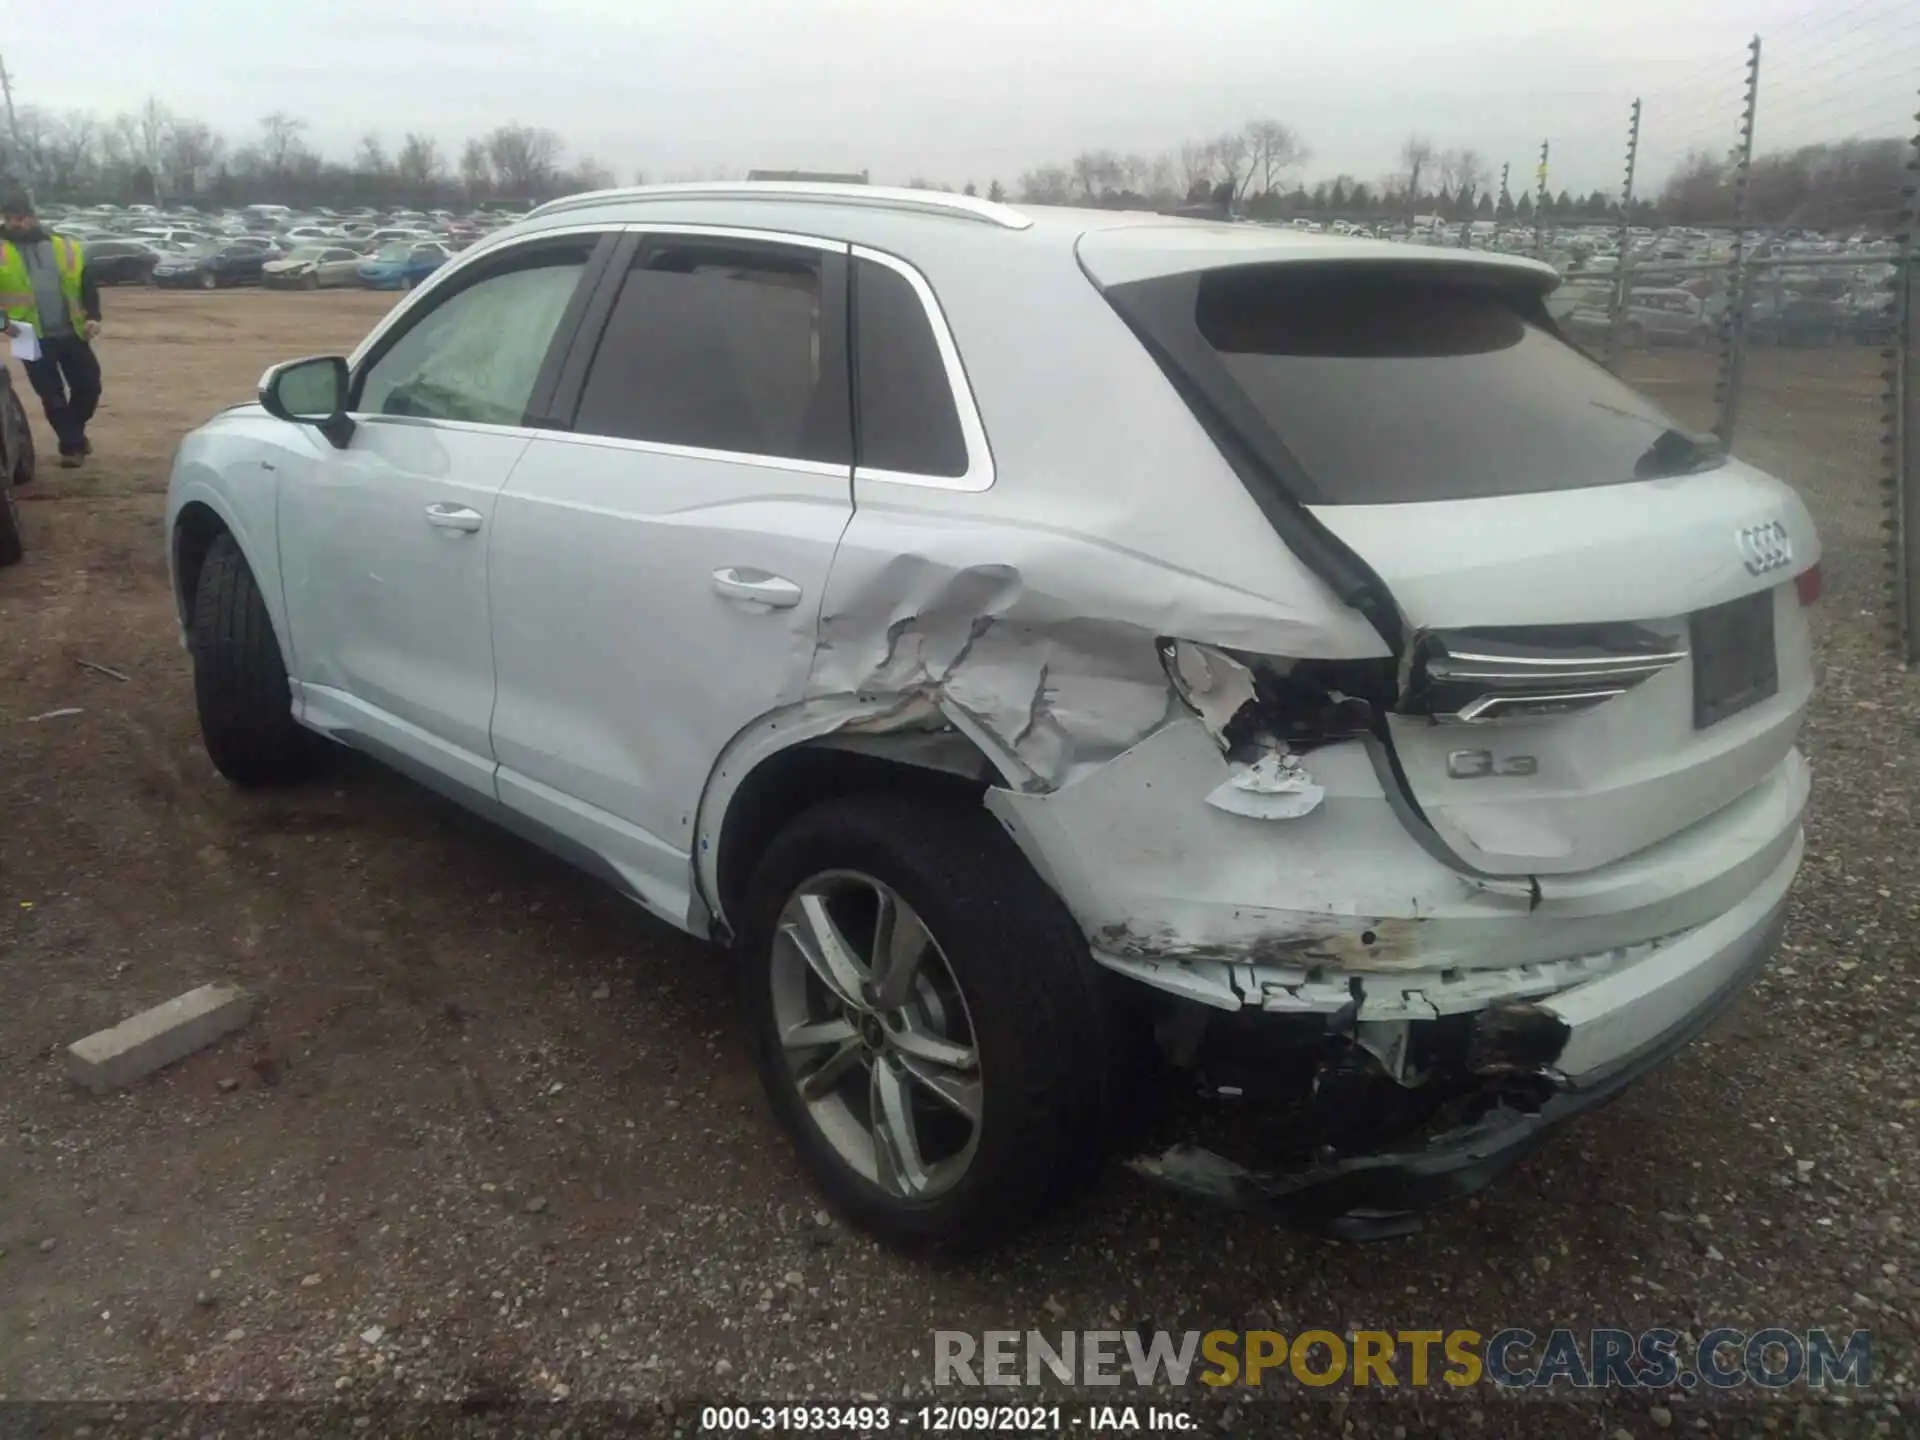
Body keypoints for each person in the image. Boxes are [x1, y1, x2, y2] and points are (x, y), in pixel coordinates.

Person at [0, 193, 102, 468]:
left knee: (90, 387)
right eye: (8, 219)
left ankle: (74, 434)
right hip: (25, 334)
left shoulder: (63, 246)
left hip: (71, 331)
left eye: (18, 218)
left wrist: (93, 316)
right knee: (52, 396)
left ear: (32, 217)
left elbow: (86, 284)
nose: (13, 224)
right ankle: (72, 448)